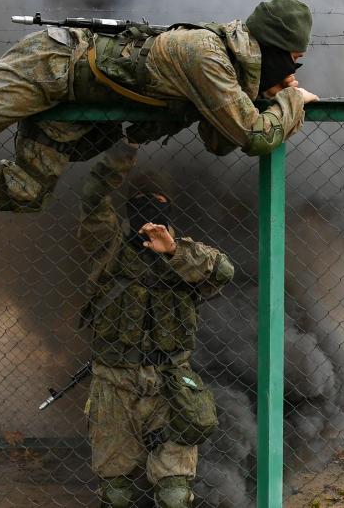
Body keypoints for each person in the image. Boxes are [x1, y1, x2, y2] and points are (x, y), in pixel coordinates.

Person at [0, 0, 318, 262]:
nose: (294, 70)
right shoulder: (205, 55)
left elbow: (220, 140)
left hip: (74, 103)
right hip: (52, 65)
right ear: (271, 47)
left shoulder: (229, 68)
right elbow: (252, 137)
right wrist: (291, 100)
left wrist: (265, 95)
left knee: (29, 190)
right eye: (293, 60)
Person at [76, 142, 234, 508]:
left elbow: (223, 271)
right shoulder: (109, 245)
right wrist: (119, 155)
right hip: (115, 379)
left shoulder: (186, 251)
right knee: (115, 494)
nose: (150, 207)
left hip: (170, 382)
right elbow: (93, 201)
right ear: (129, 205)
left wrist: (173, 251)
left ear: (170, 207)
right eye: (143, 199)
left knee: (175, 494)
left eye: (158, 200)